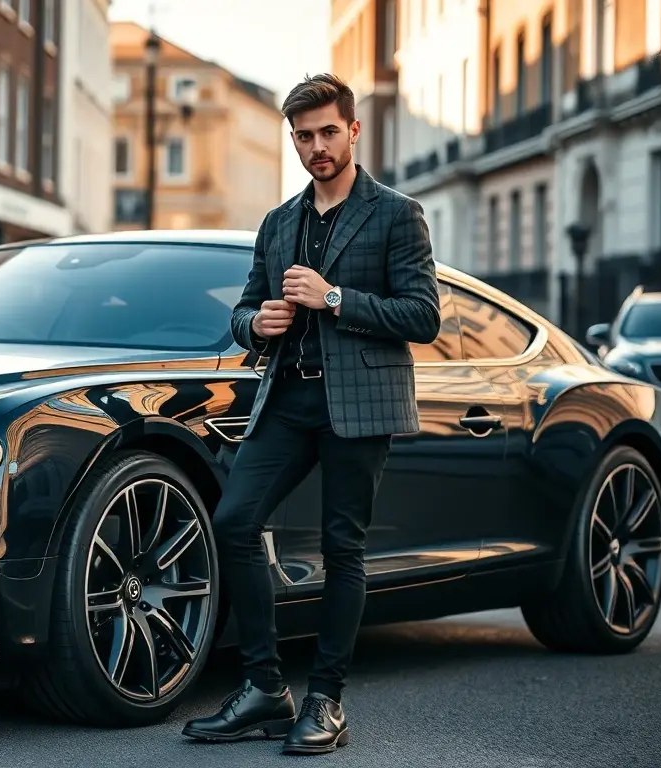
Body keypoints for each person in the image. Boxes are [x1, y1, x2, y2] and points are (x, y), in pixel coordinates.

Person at [180, 73, 440, 755]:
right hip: (289, 398)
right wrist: (254, 323)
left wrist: (333, 299)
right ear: (292, 139)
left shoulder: (395, 213)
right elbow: (243, 309)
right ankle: (266, 688)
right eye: (304, 135)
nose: (317, 146)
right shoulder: (279, 222)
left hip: (358, 404)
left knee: (340, 547)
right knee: (233, 522)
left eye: (329, 132)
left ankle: (326, 700)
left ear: (354, 130)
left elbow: (423, 316)